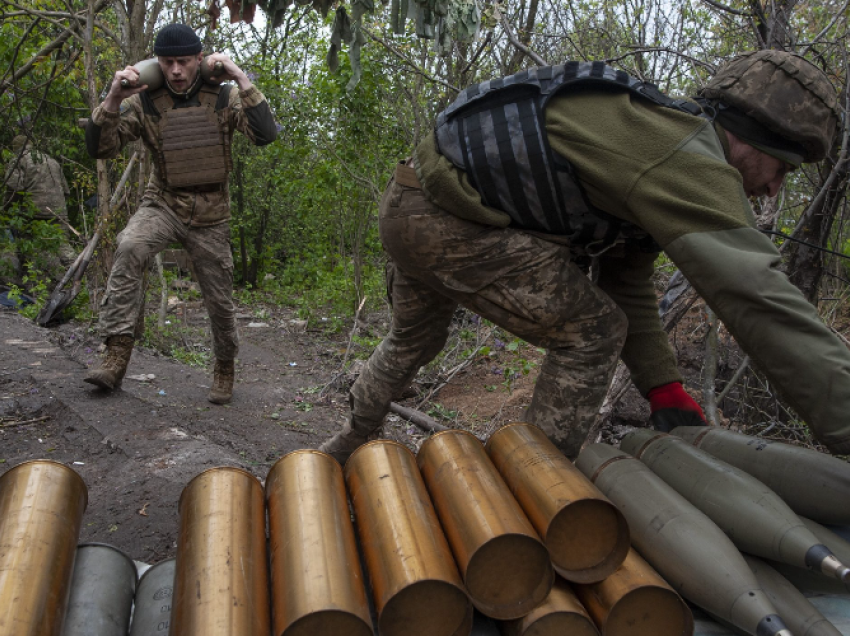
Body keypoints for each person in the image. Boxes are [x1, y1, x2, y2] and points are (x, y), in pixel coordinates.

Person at [319, 50, 850, 463]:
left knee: (414, 337)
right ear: (752, 139)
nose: (773, 189)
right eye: (781, 169)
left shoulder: (651, 134)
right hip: (449, 224)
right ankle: (528, 491)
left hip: (409, 203)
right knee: (593, 332)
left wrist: (661, 386)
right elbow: (757, 294)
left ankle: (348, 440)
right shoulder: (687, 158)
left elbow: (628, 279)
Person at [84, 23, 277, 403]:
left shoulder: (223, 97)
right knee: (130, 246)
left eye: (184, 62)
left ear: (198, 61)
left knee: (220, 301)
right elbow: (101, 149)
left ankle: (224, 366)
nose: (175, 71)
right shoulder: (145, 100)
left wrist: (239, 77)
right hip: (164, 203)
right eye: (168, 62)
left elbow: (265, 134)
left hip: (211, 213)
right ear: (157, 62)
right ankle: (116, 356)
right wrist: (111, 99)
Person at [2, 134, 75, 288]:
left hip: (35, 215)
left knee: (35, 256)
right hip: (59, 213)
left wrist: (6, 210)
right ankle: (78, 278)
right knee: (63, 249)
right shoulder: (51, 161)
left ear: (15, 148)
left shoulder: (19, 161)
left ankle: (42, 289)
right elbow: (66, 191)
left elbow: (13, 189)